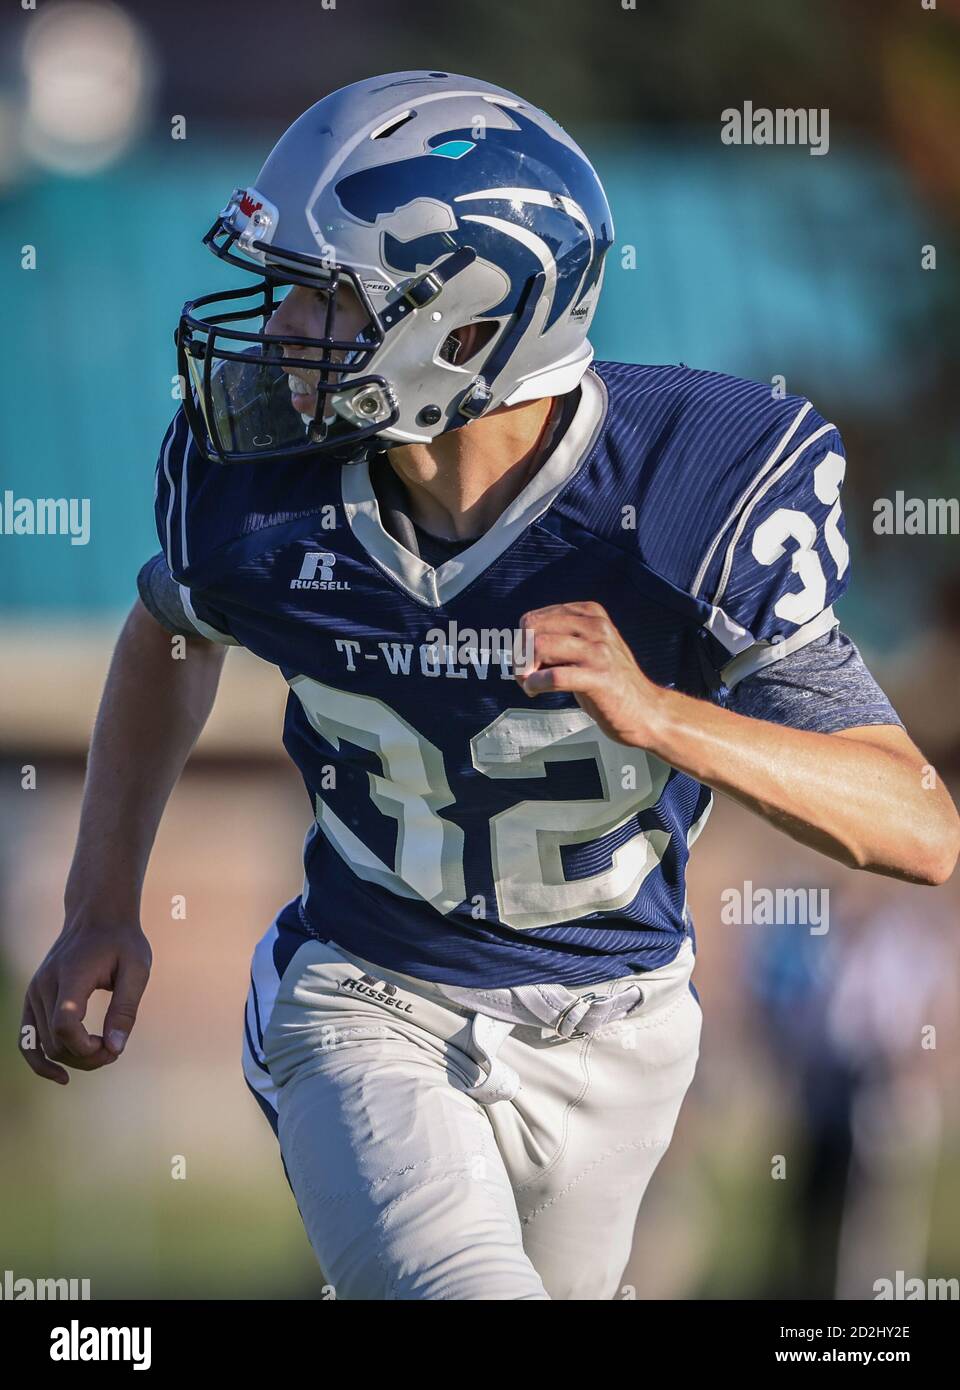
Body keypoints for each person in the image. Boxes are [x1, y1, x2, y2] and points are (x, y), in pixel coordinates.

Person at [21, 71, 959, 1301]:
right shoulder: (264, 493)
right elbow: (170, 629)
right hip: (366, 1000)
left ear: (462, 326)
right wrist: (103, 901)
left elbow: (918, 827)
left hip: (617, 1026)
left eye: (321, 297)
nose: (278, 332)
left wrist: (664, 713)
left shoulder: (682, 493)